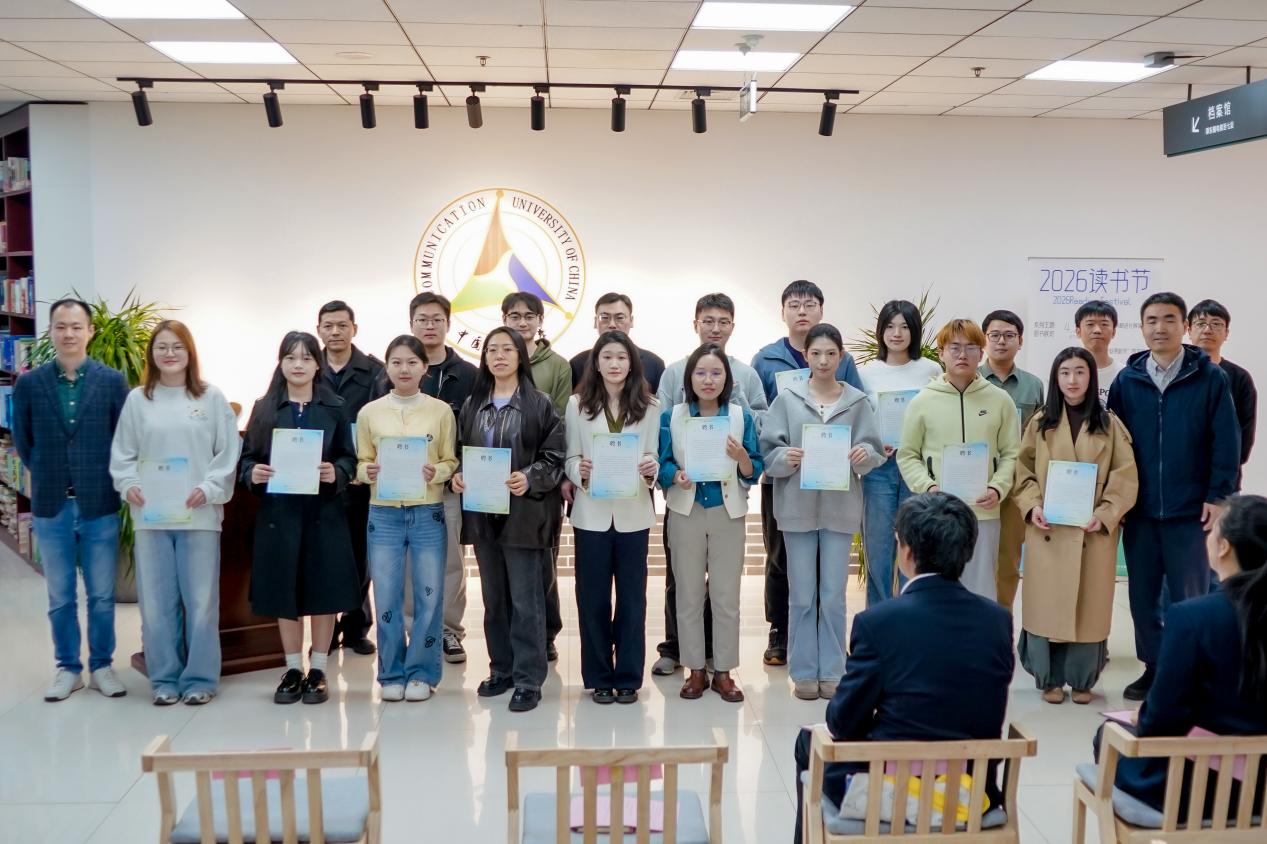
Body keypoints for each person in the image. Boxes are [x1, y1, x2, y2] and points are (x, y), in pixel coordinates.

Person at [791, 493, 1014, 844]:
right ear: (967, 551)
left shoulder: (878, 623)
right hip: (970, 793)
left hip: (894, 791)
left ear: (906, 552)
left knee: (808, 742)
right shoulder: (997, 621)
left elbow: (844, 723)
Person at [1095, 494, 1267, 817]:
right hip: (1261, 791)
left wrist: (1143, 716)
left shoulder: (1193, 618)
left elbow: (1159, 723)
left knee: (1106, 735)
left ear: (1224, 547)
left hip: (1194, 790)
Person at [1108, 292, 1240, 701]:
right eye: (1151, 320)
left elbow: (1227, 441)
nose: (1160, 327)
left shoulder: (1210, 378)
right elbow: (1114, 446)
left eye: (1168, 319)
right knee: (1142, 598)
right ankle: (1155, 668)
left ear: (1184, 326)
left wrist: (1218, 496)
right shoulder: (1127, 381)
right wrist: (1118, 499)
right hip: (1141, 510)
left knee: (1190, 599)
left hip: (1191, 510)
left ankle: (1192, 673)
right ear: (1141, 327)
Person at [109, 320, 240, 706]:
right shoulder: (138, 400)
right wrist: (129, 484)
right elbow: (123, 454)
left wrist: (209, 488)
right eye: (161, 347)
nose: (169, 354)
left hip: (199, 515)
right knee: (156, 602)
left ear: (189, 352)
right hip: (151, 516)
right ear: (151, 354)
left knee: (200, 601)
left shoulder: (210, 397)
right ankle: (164, 678)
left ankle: (200, 678)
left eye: (177, 346)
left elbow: (227, 452)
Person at [14, 297, 131, 702]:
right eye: (61, 326)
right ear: (50, 331)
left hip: (99, 502)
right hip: (52, 506)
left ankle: (101, 666)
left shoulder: (112, 382)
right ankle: (68, 668)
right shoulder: (29, 384)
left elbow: (123, 440)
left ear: (90, 332)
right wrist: (48, 472)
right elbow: (24, 441)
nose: (68, 334)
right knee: (60, 596)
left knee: (101, 595)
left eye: (76, 326)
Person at [761, 324, 884, 700]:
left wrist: (864, 455)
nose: (824, 360)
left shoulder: (857, 402)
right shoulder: (787, 400)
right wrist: (785, 457)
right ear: (806, 356)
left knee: (832, 594)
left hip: (839, 509)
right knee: (801, 595)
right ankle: (802, 672)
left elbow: (874, 451)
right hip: (797, 508)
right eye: (816, 353)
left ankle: (832, 670)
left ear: (841, 357)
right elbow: (768, 452)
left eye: (831, 353)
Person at [239, 331, 360, 705]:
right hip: (280, 514)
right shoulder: (265, 408)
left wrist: (337, 472)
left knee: (324, 591)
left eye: (307, 358)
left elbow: (349, 457)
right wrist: (253, 473)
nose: (298, 365)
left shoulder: (335, 406)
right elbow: (247, 458)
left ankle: (318, 668)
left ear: (317, 365)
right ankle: (293, 669)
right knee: (284, 590)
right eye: (291, 358)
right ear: (281, 364)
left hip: (323, 513)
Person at [1012, 347, 1138, 705]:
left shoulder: (1109, 424)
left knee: (1089, 609)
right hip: (1048, 530)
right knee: (1046, 606)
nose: (1072, 380)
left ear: (1091, 378)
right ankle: (1049, 679)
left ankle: (1083, 680)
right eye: (1065, 372)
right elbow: (1022, 472)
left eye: (1080, 372)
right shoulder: (1040, 422)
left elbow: (1125, 477)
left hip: (1091, 532)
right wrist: (1033, 506)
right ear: (1056, 378)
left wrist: (1106, 513)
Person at [652, 292, 768, 677]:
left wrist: (742, 457)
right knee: (687, 595)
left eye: (716, 374)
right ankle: (694, 670)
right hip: (685, 509)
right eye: (700, 373)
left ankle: (724, 671)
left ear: (727, 379)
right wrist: (674, 475)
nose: (708, 379)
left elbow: (754, 469)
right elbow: (662, 463)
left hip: (727, 511)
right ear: (689, 378)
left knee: (725, 596)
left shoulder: (739, 417)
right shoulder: (673, 416)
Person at [451, 327, 564, 713]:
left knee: (527, 600)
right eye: (492, 350)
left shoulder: (539, 404)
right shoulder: (473, 404)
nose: (498, 356)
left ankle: (529, 678)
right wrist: (458, 475)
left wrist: (530, 476)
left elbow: (554, 456)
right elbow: (460, 452)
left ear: (520, 356)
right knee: (494, 599)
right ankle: (501, 669)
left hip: (524, 515)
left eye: (507, 350)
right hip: (484, 513)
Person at [751, 280, 864, 667]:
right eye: (794, 304)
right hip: (788, 486)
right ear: (783, 311)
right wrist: (784, 454)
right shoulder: (767, 360)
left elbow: (862, 424)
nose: (802, 310)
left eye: (810, 304)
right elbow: (762, 425)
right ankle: (783, 637)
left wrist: (859, 453)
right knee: (782, 564)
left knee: (830, 583)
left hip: (834, 489)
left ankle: (829, 652)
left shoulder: (848, 375)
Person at [356, 335, 457, 702]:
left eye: (412, 362)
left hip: (427, 511)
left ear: (424, 368)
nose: (404, 369)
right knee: (386, 596)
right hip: (383, 513)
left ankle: (422, 673)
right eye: (396, 362)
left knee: (429, 595)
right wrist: (366, 471)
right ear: (387, 368)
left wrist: (437, 472)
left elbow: (450, 459)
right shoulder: (370, 412)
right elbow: (361, 460)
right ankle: (391, 673)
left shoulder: (440, 411)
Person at [896, 319, 1020, 601]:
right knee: (935, 592)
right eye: (954, 348)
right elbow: (908, 454)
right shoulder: (922, 401)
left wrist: (997, 488)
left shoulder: (1000, 400)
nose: (962, 354)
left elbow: (1012, 452)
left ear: (981, 353)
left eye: (971, 347)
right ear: (941, 353)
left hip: (984, 511)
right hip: (936, 513)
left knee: (981, 590)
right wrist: (928, 488)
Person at [566, 331, 660, 704]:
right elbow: (571, 457)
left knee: (633, 601)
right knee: (592, 599)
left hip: (634, 515)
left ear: (632, 363)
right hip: (591, 515)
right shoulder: (577, 405)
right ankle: (600, 676)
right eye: (607, 357)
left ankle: (629, 677)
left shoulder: (650, 405)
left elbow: (653, 455)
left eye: (622, 357)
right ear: (596, 363)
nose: (615, 364)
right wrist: (579, 471)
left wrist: (651, 468)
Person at [857, 299, 941, 606]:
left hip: (916, 468)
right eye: (890, 326)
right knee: (878, 548)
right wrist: (874, 443)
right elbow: (860, 421)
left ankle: (912, 614)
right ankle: (879, 617)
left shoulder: (931, 370)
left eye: (904, 326)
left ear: (914, 331)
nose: (897, 333)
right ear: (881, 331)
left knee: (915, 546)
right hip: (879, 468)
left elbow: (937, 418)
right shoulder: (866, 373)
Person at [410, 291, 478, 665]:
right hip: (405, 488)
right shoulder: (395, 369)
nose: (430, 325)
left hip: (449, 485)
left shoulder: (468, 375)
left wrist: (462, 471)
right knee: (409, 562)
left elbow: (476, 430)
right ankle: (416, 630)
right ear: (412, 323)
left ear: (448, 324)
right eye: (422, 319)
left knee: (452, 562)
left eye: (437, 319)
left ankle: (449, 630)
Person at [502, 291, 569, 661]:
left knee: (544, 561)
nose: (522, 322)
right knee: (507, 565)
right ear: (504, 319)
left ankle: (546, 634)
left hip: (542, 478)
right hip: (500, 482)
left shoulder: (557, 366)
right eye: (514, 316)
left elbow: (559, 421)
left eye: (529, 315)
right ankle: (516, 635)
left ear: (541, 321)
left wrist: (541, 471)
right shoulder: (494, 361)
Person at [316, 300, 384, 656]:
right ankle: (324, 631)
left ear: (354, 329)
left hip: (361, 482)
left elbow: (385, 422)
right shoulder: (308, 367)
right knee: (324, 556)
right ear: (319, 330)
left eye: (342, 325)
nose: (335, 332)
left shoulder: (375, 371)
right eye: (328, 326)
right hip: (319, 480)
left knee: (360, 557)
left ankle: (356, 626)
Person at [979, 309, 1045, 611]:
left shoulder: (1034, 385)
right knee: (970, 555)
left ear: (1020, 341)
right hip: (976, 481)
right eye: (994, 335)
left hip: (1016, 483)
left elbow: (1040, 437)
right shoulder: (971, 379)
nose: (1001, 341)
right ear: (984, 340)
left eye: (1009, 335)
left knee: (1008, 559)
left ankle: (1000, 620)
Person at [1187, 299, 1256, 491]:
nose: (1207, 330)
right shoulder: (1177, 374)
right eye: (1200, 323)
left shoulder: (1240, 378)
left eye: (1216, 324)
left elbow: (1245, 436)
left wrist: (1222, 470)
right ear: (1188, 330)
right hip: (1182, 483)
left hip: (1224, 484)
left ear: (1226, 333)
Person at [567, 292, 666, 393]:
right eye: (604, 318)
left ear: (631, 321)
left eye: (619, 318)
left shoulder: (655, 364)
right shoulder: (576, 364)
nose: (612, 324)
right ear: (595, 322)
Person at [1074, 300, 1122, 408]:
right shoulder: (1066, 373)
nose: (1097, 330)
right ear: (1078, 331)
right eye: (1090, 324)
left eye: (1104, 324)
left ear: (1114, 332)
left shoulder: (1123, 374)